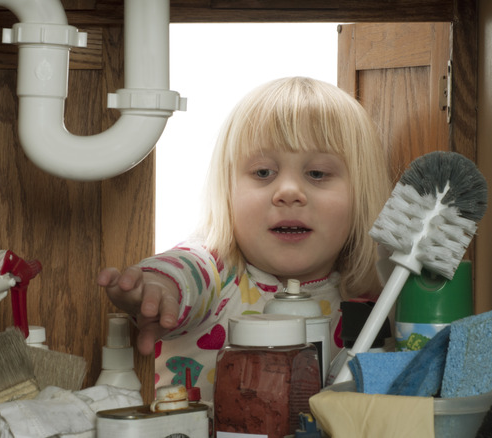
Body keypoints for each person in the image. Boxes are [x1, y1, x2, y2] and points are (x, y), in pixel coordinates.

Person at [97, 76, 392, 402]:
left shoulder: (375, 301)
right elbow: (185, 269)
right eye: (264, 173)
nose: (289, 192)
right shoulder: (216, 273)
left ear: (361, 194)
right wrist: (161, 287)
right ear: (229, 192)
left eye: (317, 173)